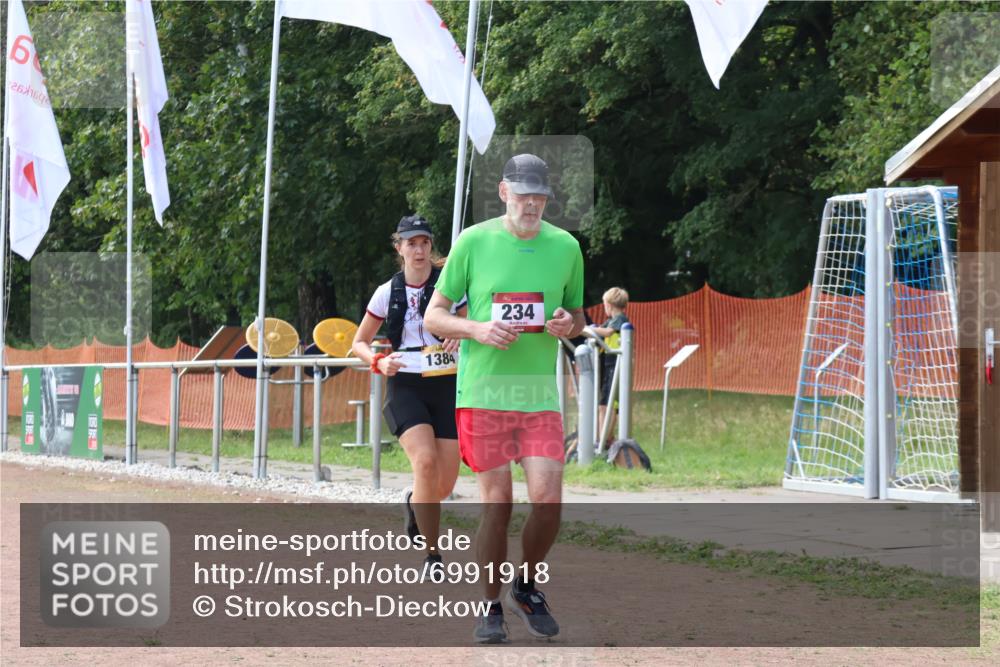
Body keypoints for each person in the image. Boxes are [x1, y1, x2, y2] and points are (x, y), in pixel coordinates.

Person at [424, 154, 586, 644]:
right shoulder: (473, 242)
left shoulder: (566, 246)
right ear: (503, 192)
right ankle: (489, 605)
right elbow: (435, 316)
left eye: (539, 195)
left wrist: (567, 324)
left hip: (538, 398)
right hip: (484, 395)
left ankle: (527, 585)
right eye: (523, 194)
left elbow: (577, 315)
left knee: (549, 502)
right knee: (498, 504)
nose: (531, 203)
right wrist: (476, 328)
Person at [351, 214, 464, 575]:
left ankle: (414, 502)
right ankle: (433, 556)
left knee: (441, 485)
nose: (418, 249)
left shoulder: (450, 288)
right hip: (405, 383)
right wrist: (378, 362)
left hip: (447, 381)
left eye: (424, 242)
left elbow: (469, 323)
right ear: (399, 247)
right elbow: (359, 342)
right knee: (425, 463)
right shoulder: (388, 292)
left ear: (432, 247)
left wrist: (460, 332)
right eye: (411, 243)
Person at [590, 287, 630, 448]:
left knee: (606, 405)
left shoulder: (619, 319)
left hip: (615, 363)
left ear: (609, 304)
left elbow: (606, 332)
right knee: (605, 405)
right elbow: (601, 329)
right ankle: (605, 438)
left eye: (604, 304)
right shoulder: (611, 320)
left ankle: (604, 441)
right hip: (609, 364)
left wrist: (586, 329)